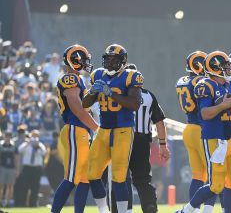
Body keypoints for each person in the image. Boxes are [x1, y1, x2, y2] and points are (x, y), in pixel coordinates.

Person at [176, 50, 231, 213]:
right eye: (226, 66)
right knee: (216, 184)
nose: (230, 69)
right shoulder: (205, 85)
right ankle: (186, 210)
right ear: (215, 67)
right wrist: (223, 106)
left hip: (228, 139)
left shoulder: (229, 83)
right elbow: (204, 113)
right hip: (213, 138)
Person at [83, 44, 143, 213]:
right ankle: (104, 210)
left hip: (123, 130)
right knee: (92, 173)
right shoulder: (98, 75)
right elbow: (84, 104)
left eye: (114, 59)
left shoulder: (131, 76)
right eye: (107, 59)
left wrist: (110, 93)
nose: (109, 62)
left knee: (119, 176)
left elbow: (134, 104)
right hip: (103, 129)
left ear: (122, 61)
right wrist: (92, 93)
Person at [109, 63, 170, 213]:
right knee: (142, 179)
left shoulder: (119, 94)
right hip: (143, 140)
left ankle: (121, 210)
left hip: (123, 138)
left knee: (120, 177)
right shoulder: (149, 96)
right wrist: (163, 145)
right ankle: (150, 206)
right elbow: (160, 122)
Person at [50, 44, 99, 213]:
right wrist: (97, 128)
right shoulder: (70, 79)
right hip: (75, 129)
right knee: (71, 178)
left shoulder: (78, 80)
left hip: (82, 131)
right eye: (84, 60)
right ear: (75, 60)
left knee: (85, 178)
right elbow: (77, 109)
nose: (86, 63)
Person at [175, 51, 217, 213]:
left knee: (198, 175)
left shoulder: (181, 81)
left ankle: (195, 210)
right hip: (202, 129)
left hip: (189, 129)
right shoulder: (201, 81)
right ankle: (207, 210)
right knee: (213, 175)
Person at [16, 129, 47, 207]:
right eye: (33, 135)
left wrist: (38, 146)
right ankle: (22, 204)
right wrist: (28, 143)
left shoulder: (40, 145)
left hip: (36, 169)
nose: (35, 137)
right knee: (24, 186)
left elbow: (44, 152)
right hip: (27, 168)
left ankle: (33, 204)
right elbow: (19, 150)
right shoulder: (26, 144)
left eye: (36, 136)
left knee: (35, 187)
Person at [0, 132, 18, 207]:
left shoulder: (13, 146)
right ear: (4, 137)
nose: (8, 138)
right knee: (1, 185)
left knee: (10, 186)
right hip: (2, 167)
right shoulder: (1, 145)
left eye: (9, 136)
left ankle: (7, 202)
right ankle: (0, 201)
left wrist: (17, 169)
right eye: (6, 136)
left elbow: (16, 158)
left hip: (11, 168)